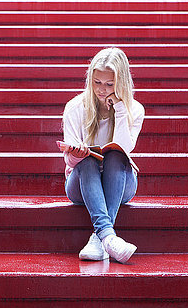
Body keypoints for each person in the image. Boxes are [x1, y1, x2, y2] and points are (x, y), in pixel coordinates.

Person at [61, 47, 145, 264]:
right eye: (97, 82)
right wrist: (77, 154)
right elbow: (69, 161)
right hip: (80, 182)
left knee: (116, 156)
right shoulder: (75, 107)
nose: (101, 90)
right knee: (87, 159)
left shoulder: (134, 109)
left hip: (120, 181)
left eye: (109, 84)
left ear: (121, 83)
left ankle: (100, 240)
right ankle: (107, 237)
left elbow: (126, 148)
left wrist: (119, 108)